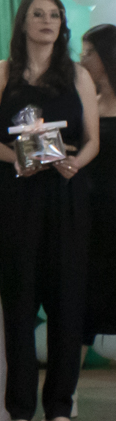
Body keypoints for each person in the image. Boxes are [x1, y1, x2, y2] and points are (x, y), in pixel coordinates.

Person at [0, 0, 98, 421]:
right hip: (17, 199)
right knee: (19, 305)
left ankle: (60, 408)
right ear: (23, 23)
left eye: (55, 15)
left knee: (67, 304)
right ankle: (20, 409)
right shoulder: (1, 73)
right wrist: (16, 157)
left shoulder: (79, 74)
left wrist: (75, 163)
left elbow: (92, 141)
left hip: (66, 199)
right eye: (38, 14)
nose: (47, 21)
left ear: (62, 25)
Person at [80, 24, 116, 352]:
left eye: (89, 53)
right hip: (89, 214)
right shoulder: (86, 102)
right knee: (84, 301)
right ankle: (70, 385)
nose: (82, 59)